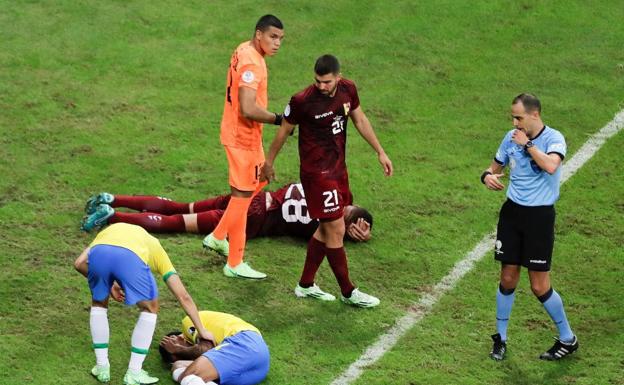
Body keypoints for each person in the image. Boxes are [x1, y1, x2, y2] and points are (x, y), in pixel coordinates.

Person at [262, 54, 393, 307]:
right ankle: (348, 291)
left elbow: (360, 119)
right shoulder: (302, 101)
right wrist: (269, 162)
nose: (321, 86)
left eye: (327, 82)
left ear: (338, 77)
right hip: (316, 175)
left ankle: (305, 284)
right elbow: (283, 131)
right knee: (336, 229)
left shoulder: (348, 89)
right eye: (318, 81)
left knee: (326, 228)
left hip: (338, 170)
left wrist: (380, 151)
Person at [481, 93, 578, 361]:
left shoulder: (554, 139)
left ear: (535, 115)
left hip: (539, 219)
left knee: (539, 285)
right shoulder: (510, 137)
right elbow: (492, 168)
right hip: (512, 215)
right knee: (507, 278)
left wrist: (528, 145)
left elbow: (550, 165)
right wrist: (487, 177)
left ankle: (568, 339)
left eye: (519, 117)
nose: (515, 122)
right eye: (513, 117)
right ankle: (500, 338)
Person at [73, 222, 215, 385]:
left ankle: (101, 367)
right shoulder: (154, 246)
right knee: (150, 308)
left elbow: (79, 263)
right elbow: (183, 296)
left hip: (99, 252)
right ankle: (134, 371)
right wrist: (201, 329)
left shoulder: (108, 233)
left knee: (99, 303)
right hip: (129, 257)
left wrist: (110, 285)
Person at [202, 14, 285, 280]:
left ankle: (229, 252)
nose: (277, 43)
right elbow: (248, 108)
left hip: (243, 136)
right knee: (243, 195)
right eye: (273, 37)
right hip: (242, 138)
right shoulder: (253, 63)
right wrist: (278, 119)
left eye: (281, 39)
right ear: (259, 34)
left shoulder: (243, 49)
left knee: (253, 187)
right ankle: (224, 246)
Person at [80, 182, 372, 243]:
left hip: (253, 195)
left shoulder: (325, 185)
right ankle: (112, 216)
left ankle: (112, 197)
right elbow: (326, 236)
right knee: (178, 223)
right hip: (254, 216)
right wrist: (349, 235)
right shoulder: (325, 223)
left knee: (182, 207)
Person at [158, 310, 269, 385]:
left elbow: (206, 349)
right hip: (257, 367)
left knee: (188, 374)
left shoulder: (189, 322)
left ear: (177, 339)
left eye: (181, 355)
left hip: (244, 342)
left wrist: (179, 350)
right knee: (179, 367)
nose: (191, 360)